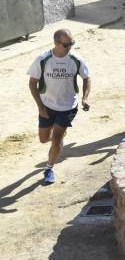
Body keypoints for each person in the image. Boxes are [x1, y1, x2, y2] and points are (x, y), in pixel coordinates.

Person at [28, 29, 91, 184]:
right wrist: (40, 107)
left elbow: (87, 78)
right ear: (56, 43)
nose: (70, 47)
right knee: (44, 139)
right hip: (47, 106)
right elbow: (32, 83)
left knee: (56, 140)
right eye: (66, 44)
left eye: (72, 43)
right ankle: (58, 137)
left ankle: (49, 168)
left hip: (68, 106)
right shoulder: (43, 59)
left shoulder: (76, 59)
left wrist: (85, 98)